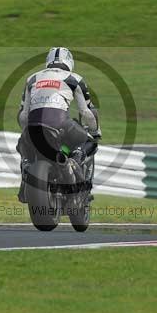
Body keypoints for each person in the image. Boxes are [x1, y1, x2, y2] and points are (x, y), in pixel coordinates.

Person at [16, 47, 100, 202]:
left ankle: (25, 174)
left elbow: (23, 115)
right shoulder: (74, 78)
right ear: (69, 62)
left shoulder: (32, 79)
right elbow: (86, 112)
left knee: (22, 145)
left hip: (32, 128)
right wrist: (95, 131)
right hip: (60, 124)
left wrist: (27, 131)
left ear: (48, 61)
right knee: (90, 142)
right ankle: (75, 162)